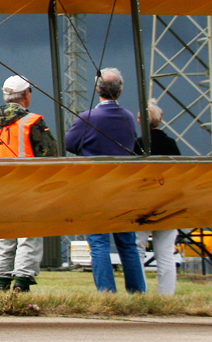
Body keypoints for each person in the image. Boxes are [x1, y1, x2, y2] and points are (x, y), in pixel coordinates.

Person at [65, 67, 147, 293]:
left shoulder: (87, 118)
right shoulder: (129, 117)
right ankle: (137, 292)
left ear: (97, 89)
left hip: (95, 187)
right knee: (127, 244)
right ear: (120, 91)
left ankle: (106, 292)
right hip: (122, 186)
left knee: (99, 243)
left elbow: (70, 144)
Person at [0, 75, 58, 293]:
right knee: (28, 236)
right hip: (27, 188)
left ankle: (2, 284)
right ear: (26, 95)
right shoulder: (32, 121)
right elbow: (50, 156)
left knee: (4, 236)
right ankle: (21, 284)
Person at [135, 99, 180, 295]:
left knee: (137, 251)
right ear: (160, 121)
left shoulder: (138, 145)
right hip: (168, 202)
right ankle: (166, 296)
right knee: (166, 253)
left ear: (140, 121)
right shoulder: (171, 144)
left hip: (142, 204)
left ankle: (139, 293)